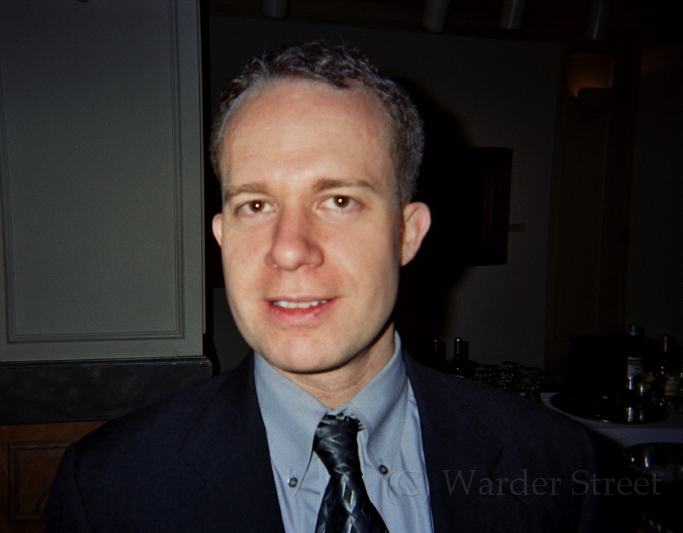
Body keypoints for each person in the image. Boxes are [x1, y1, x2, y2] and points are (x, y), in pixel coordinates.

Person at [47, 41, 611, 533]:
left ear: (407, 234)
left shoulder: (559, 466)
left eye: (338, 200)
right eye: (255, 205)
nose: (289, 249)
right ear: (222, 236)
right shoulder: (108, 490)